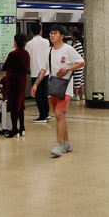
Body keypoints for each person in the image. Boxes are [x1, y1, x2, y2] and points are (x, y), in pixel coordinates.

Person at [31, 24, 85, 157]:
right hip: (53, 86)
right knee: (60, 116)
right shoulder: (48, 51)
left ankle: (58, 144)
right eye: (50, 33)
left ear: (61, 36)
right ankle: (67, 142)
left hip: (65, 87)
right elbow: (43, 69)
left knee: (59, 114)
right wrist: (36, 84)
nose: (51, 36)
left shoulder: (69, 49)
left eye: (54, 33)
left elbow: (81, 62)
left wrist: (67, 69)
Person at [2, 33, 30, 138]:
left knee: (13, 104)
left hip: (13, 81)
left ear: (16, 42)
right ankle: (22, 127)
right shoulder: (26, 53)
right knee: (20, 104)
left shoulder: (13, 54)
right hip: (22, 81)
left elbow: (5, 67)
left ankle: (14, 128)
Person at [25, 22, 51, 123]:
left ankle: (42, 115)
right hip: (45, 71)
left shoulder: (29, 44)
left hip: (35, 72)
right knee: (44, 93)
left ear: (31, 31)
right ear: (40, 30)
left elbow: (28, 57)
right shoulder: (46, 42)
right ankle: (47, 113)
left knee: (38, 95)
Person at [72, 30, 85, 101]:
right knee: (81, 80)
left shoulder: (76, 45)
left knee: (76, 80)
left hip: (77, 64)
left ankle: (76, 95)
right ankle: (82, 94)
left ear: (74, 37)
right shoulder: (80, 44)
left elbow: (73, 55)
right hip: (81, 64)